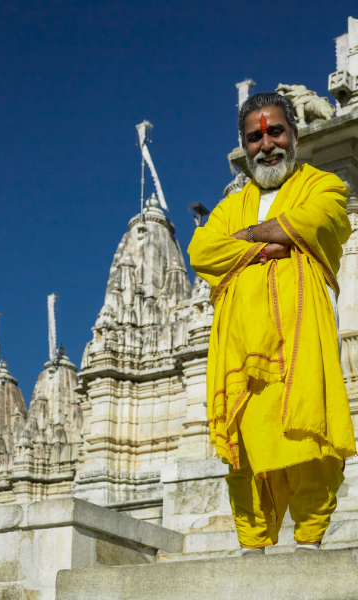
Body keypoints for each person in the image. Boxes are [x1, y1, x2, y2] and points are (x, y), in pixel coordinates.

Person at [189, 92, 354, 556]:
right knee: (246, 448)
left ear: (294, 135)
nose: (266, 145)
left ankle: (309, 542)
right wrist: (268, 243)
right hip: (241, 353)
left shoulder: (323, 186)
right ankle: (252, 547)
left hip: (302, 342)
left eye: (275, 131)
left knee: (310, 438)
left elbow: (317, 220)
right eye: (254, 137)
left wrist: (242, 242)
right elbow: (202, 251)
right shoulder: (230, 207)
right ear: (244, 146)